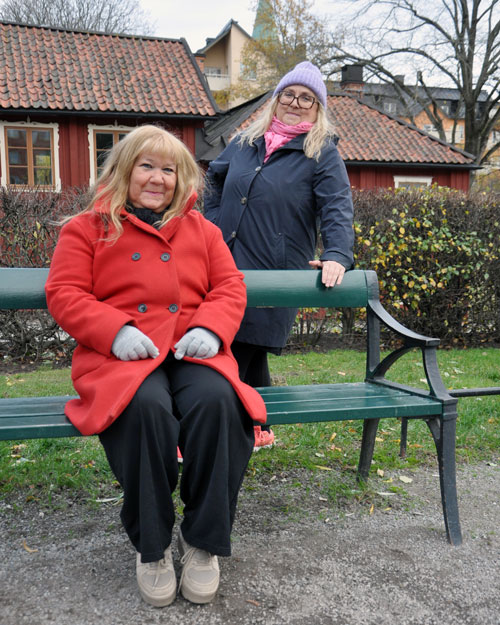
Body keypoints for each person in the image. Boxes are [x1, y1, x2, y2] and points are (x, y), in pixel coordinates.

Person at [45, 125, 266, 607]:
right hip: (120, 356)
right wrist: (114, 330)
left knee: (218, 403)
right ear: (124, 170)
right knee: (144, 410)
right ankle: (153, 546)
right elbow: (64, 294)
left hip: (190, 348)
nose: (157, 178)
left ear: (182, 178)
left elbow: (230, 287)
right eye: (147, 165)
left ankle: (205, 542)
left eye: (169, 169)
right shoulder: (87, 228)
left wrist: (210, 329)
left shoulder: (202, 231)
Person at [204, 61, 354, 450]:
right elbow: (212, 179)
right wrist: (214, 221)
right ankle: (256, 425)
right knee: (231, 342)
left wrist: (337, 253)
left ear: (318, 108)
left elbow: (337, 206)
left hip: (275, 268)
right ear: (276, 99)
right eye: (289, 94)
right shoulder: (244, 141)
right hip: (225, 260)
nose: (296, 102)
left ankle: (224, 432)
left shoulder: (321, 152)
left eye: (307, 97)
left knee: (237, 342)